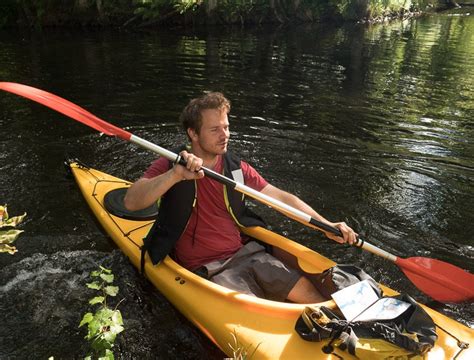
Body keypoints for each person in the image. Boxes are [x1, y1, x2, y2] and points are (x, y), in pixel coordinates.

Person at [124, 92, 357, 303]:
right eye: (215, 129)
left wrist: (325, 225)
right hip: (209, 268)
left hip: (246, 253)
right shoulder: (170, 164)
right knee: (255, 307)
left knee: (309, 293)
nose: (224, 135)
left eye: (226, 127)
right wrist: (175, 175)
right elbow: (132, 202)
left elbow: (280, 198)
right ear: (193, 133)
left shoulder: (237, 170)